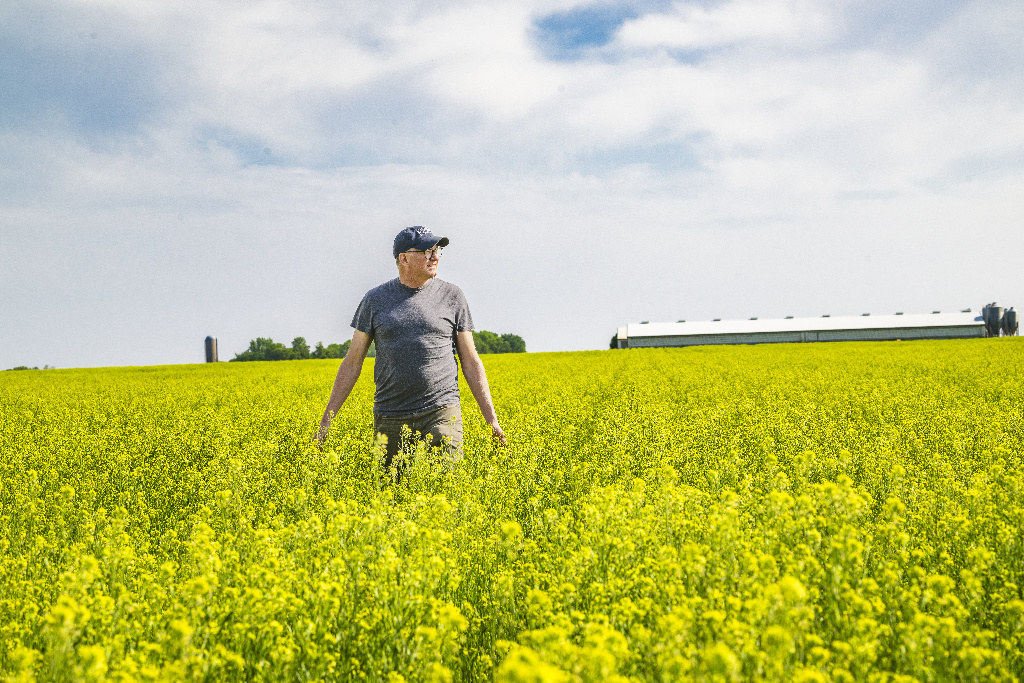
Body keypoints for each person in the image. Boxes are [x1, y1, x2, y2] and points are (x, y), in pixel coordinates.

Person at [316, 226, 506, 470]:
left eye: (437, 250)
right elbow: (352, 363)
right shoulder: (375, 300)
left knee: (445, 490)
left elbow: (471, 361)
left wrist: (492, 422)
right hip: (391, 415)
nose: (435, 256)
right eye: (427, 251)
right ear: (403, 258)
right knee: (391, 494)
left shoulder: (453, 296)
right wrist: (326, 423)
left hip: (441, 410)